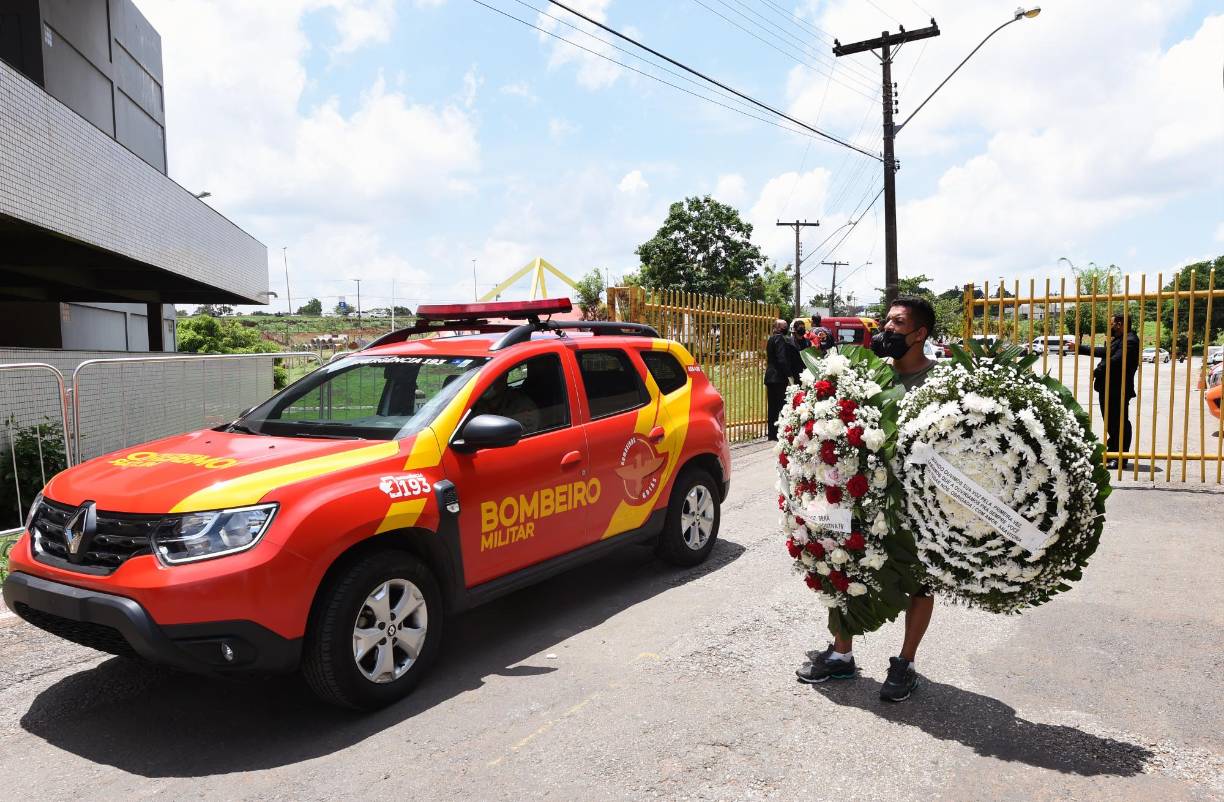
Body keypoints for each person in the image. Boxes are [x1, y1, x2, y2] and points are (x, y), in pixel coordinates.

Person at [795, 296, 937, 702]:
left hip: (916, 504)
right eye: (887, 320)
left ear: (920, 333)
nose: (887, 328)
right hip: (865, 497)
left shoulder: (937, 383)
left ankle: (905, 663)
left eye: (898, 323)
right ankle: (842, 654)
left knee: (921, 582)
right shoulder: (871, 375)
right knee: (845, 564)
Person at [1078, 312, 1141, 469]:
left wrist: (1097, 371)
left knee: (1119, 423)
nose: (1110, 327)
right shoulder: (1119, 339)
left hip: (1118, 389)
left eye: (1111, 324)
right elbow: (1105, 352)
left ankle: (1121, 458)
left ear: (1119, 324)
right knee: (1112, 423)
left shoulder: (1130, 340)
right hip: (1108, 388)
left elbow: (1116, 361)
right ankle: (1112, 452)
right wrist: (1080, 348)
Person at [765, 319, 801, 440]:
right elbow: (782, 359)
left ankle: (772, 433)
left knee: (772, 407)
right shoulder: (780, 339)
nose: (786, 328)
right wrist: (789, 374)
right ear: (778, 328)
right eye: (784, 327)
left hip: (770, 377)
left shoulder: (771, 339)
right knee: (781, 406)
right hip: (779, 377)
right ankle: (779, 432)